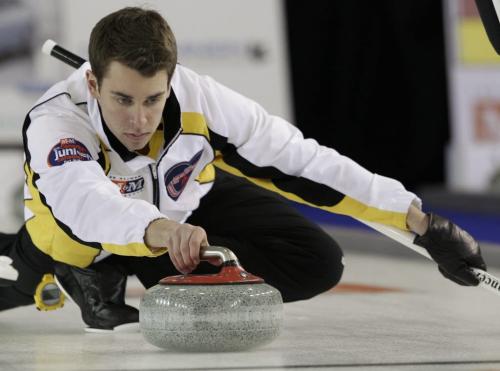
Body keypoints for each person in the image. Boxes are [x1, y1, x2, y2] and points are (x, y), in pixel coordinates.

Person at [0, 7, 486, 331]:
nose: (139, 120)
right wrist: (162, 230)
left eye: (153, 99)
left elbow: (301, 160)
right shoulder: (56, 121)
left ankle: (161, 281)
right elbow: (84, 201)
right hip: (85, 231)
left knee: (317, 262)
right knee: (36, 266)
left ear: (172, 80)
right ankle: (87, 269)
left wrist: (419, 223)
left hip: (179, 208)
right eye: (121, 99)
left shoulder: (200, 99)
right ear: (92, 79)